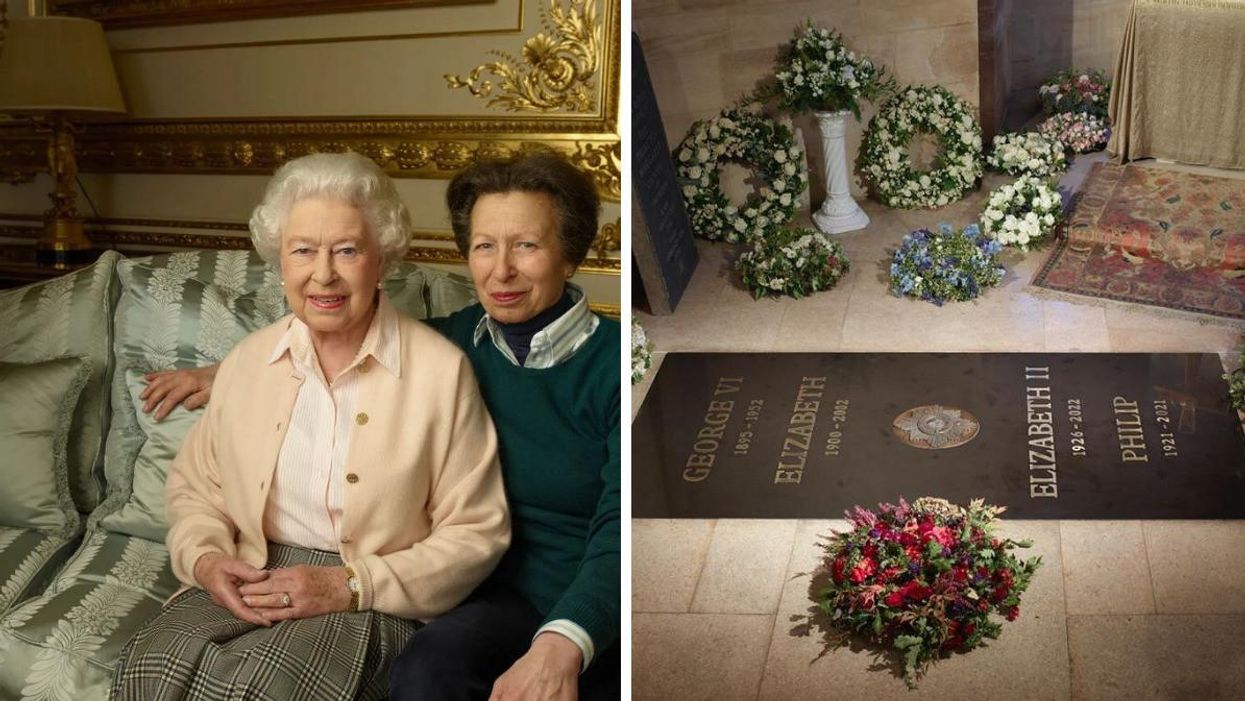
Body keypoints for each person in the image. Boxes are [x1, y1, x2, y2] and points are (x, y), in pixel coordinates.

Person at [140, 152, 621, 700]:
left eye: (527, 245)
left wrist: (564, 642)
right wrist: (231, 371)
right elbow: (343, 338)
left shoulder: (608, 366)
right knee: (423, 676)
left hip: (583, 595)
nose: (501, 269)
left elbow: (618, 531)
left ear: (573, 255)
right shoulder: (460, 336)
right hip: (478, 593)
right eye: (484, 246)